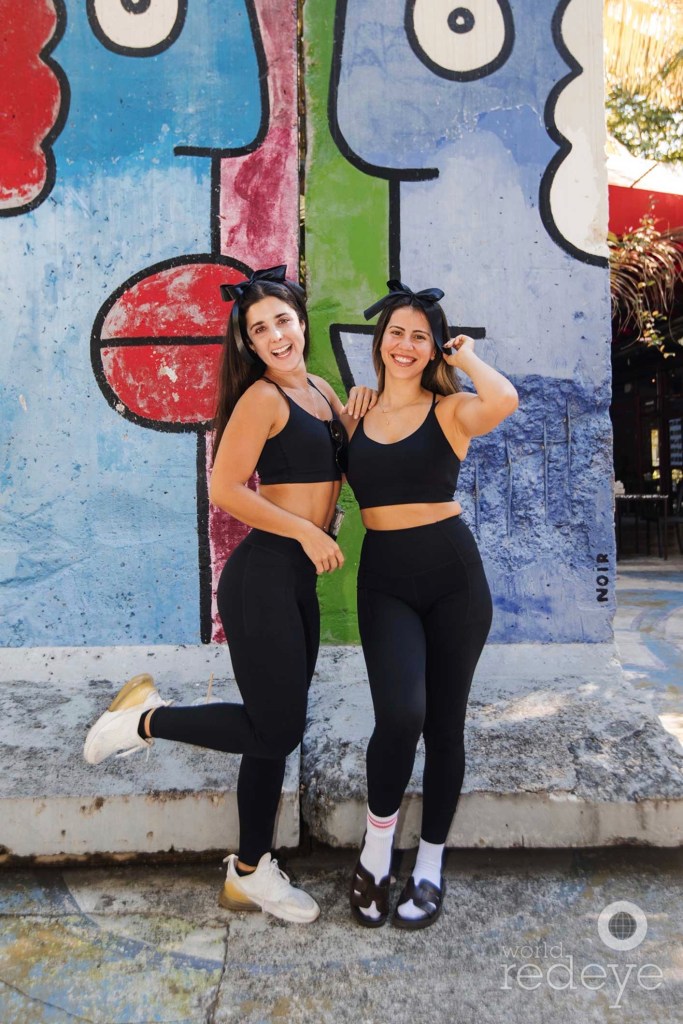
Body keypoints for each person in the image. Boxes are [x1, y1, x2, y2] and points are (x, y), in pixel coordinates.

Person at [83, 265, 376, 924]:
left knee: (269, 733)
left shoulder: (320, 391)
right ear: (248, 342)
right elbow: (225, 489)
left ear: (301, 321)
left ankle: (248, 873)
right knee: (277, 728)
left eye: (282, 320)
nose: (275, 336)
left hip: (294, 580)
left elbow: (349, 471)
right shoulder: (261, 399)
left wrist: (357, 416)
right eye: (259, 329)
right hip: (261, 577)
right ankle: (144, 720)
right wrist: (306, 531)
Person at [344, 280, 518, 929]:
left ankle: (430, 863)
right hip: (384, 582)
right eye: (396, 332)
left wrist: (463, 355)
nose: (406, 344)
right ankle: (375, 855)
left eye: (420, 336)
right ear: (379, 342)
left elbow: (504, 399)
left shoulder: (450, 411)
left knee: (444, 726)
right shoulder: (354, 413)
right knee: (399, 715)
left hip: (454, 583)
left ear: (433, 347)